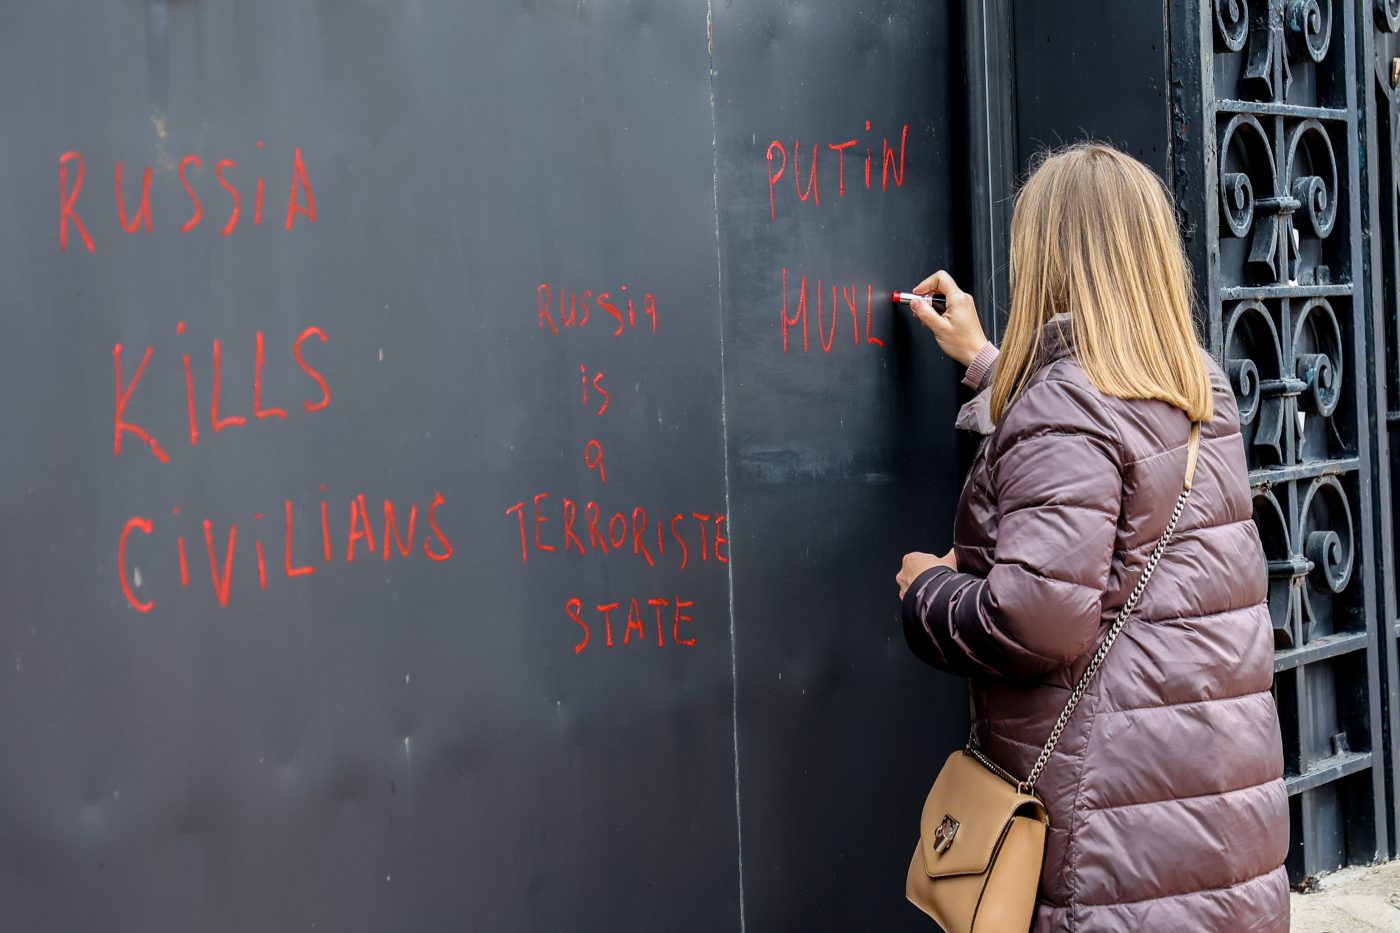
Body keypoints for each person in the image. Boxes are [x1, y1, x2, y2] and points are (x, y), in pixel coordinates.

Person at [896, 142, 1289, 931]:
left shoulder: (1066, 401)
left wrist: (927, 592)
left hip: (1113, 838)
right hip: (1214, 819)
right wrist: (987, 361)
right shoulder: (1198, 387)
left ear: (1045, 254)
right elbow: (1109, 460)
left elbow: (1035, 619)